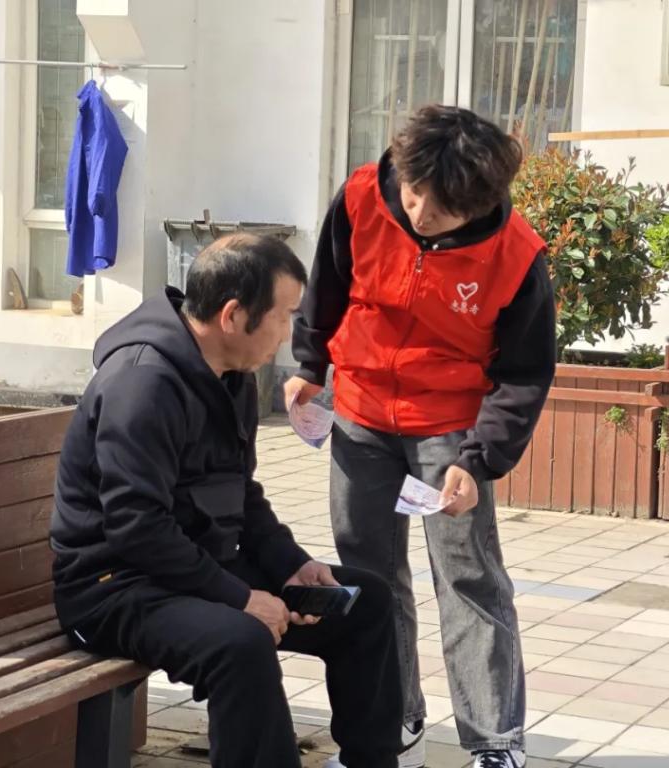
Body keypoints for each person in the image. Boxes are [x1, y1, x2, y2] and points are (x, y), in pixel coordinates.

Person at [50, 233, 403, 768]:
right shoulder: (142, 383)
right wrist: (240, 598)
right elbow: (136, 527)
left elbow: (242, 493)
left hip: (192, 568)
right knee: (241, 642)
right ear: (233, 316)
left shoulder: (231, 374)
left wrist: (290, 565)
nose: (288, 335)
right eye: (284, 317)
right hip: (111, 587)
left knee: (365, 600)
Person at [285, 105, 556, 768]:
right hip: (359, 411)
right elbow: (328, 288)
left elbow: (524, 372)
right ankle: (395, 722)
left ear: (480, 202)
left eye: (443, 208)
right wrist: (310, 366)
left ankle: (494, 742)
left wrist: (479, 460)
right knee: (369, 574)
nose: (421, 215)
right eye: (413, 194)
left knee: (468, 578)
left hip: (451, 428)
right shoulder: (360, 197)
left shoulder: (516, 254)